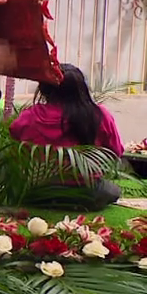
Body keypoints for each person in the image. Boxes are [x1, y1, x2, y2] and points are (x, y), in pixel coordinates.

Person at [10, 63, 124, 209]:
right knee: (113, 190)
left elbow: (15, 144)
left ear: (44, 90)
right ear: (82, 89)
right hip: (87, 193)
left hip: (40, 192)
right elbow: (116, 151)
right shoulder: (100, 115)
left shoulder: (29, 117)